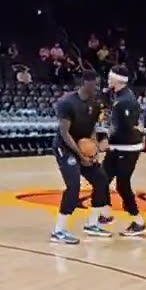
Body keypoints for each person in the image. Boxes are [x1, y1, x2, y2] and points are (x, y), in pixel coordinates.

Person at [50, 73, 110, 245]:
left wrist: (93, 151)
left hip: (83, 147)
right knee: (73, 185)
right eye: (94, 84)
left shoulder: (96, 104)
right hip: (65, 148)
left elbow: (91, 130)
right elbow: (64, 132)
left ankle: (92, 224)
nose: (97, 88)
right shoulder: (67, 103)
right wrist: (80, 155)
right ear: (85, 83)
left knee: (101, 180)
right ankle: (58, 230)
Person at [97, 66, 146, 237]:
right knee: (101, 178)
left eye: (111, 77)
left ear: (118, 81)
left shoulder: (125, 100)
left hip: (128, 148)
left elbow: (127, 127)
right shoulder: (119, 96)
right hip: (118, 146)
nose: (108, 79)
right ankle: (105, 214)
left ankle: (138, 221)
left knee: (122, 185)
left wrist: (105, 140)